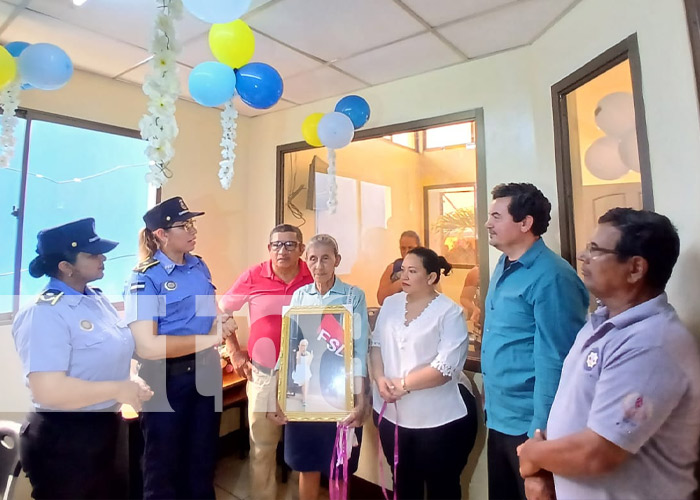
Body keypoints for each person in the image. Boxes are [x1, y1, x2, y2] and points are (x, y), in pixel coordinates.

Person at [517, 208, 700, 500]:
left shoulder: (652, 343)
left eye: (595, 249)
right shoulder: (601, 322)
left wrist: (534, 454)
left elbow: (599, 453)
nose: (582, 256)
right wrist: (548, 470)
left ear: (635, 269)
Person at [13, 218, 153, 499]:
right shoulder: (44, 313)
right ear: (65, 267)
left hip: (105, 428)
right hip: (64, 438)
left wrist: (130, 380)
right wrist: (118, 389)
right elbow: (48, 390)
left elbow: (112, 352)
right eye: (92, 254)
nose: (102, 257)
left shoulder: (97, 300)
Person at [481, 183, 589, 500]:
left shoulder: (553, 277)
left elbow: (558, 360)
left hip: (531, 427)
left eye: (497, 216)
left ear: (525, 223)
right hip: (500, 417)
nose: (488, 223)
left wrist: (540, 434)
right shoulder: (504, 264)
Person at [124, 196, 226, 499]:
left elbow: (210, 315)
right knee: (163, 468)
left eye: (192, 223)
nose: (193, 231)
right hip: (166, 380)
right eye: (184, 225)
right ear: (161, 235)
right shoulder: (145, 277)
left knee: (203, 461)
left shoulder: (198, 266)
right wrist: (211, 339)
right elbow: (148, 346)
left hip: (207, 375)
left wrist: (222, 326)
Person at [370, 246, 478, 500]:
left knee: (443, 486)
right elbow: (376, 346)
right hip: (392, 416)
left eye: (412, 271)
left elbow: (445, 368)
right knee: (404, 485)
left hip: (438, 421)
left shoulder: (449, 312)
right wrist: (380, 379)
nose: (403, 277)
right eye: (402, 271)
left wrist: (403, 384)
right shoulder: (391, 304)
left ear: (431, 278)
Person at [270, 234, 369, 500]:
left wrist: (360, 401)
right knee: (307, 463)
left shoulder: (353, 295)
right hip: (305, 395)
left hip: (340, 394)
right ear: (306, 261)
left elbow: (359, 351)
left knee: (341, 466)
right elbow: (288, 347)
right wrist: (276, 394)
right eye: (313, 259)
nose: (319, 265)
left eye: (326, 258)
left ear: (337, 260)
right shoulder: (300, 296)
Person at [219, 224, 313, 500]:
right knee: (262, 447)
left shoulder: (313, 275)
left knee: (303, 448)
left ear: (301, 249)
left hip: (304, 374)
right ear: (269, 248)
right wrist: (235, 352)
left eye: (289, 244)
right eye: (276, 245)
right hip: (263, 373)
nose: (282, 250)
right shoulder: (253, 275)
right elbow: (223, 311)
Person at [376, 230, 421, 305]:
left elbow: (436, 298)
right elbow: (381, 300)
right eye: (403, 248)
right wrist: (401, 282)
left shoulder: (427, 268)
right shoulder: (392, 268)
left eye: (410, 248)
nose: (406, 251)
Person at [292, 339, 313, 406]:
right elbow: (298, 362)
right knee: (303, 381)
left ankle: (304, 399)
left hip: (306, 370)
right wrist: (300, 352)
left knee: (306, 382)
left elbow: (308, 364)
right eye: (302, 345)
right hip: (299, 370)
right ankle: (304, 399)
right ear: (299, 346)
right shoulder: (298, 353)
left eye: (305, 345)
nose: (303, 347)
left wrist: (311, 357)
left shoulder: (308, 353)